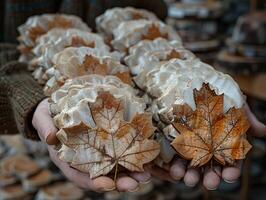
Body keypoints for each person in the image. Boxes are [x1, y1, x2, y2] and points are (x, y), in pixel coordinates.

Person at [1, 0, 266, 193]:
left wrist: (186, 65)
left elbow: (151, 16)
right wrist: (26, 98)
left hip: (141, 60)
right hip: (52, 73)